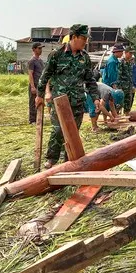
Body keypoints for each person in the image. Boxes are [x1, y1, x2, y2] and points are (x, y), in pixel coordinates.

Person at [37, 24, 99, 168]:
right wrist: (40, 95)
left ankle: (69, 161)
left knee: (73, 134)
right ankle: (52, 159)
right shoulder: (57, 55)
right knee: (57, 130)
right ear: (74, 37)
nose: (86, 42)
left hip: (77, 102)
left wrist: (95, 97)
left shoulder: (85, 58)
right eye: (83, 38)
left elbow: (90, 80)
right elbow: (45, 76)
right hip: (59, 102)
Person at [27, 42, 45, 124]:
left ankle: (39, 118)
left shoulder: (41, 61)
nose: (41, 50)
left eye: (41, 48)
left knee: (40, 101)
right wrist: (32, 86)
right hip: (34, 84)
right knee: (32, 102)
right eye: (39, 48)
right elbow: (30, 74)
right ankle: (32, 120)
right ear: (34, 49)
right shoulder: (32, 61)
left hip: (40, 85)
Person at [119, 47, 136, 114]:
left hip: (129, 86)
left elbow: (130, 75)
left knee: (128, 103)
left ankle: (127, 115)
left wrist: (132, 85)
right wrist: (119, 87)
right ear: (125, 53)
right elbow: (119, 75)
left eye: (132, 53)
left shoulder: (130, 63)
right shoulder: (121, 62)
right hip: (122, 87)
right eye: (130, 53)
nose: (131, 55)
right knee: (119, 103)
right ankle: (117, 117)